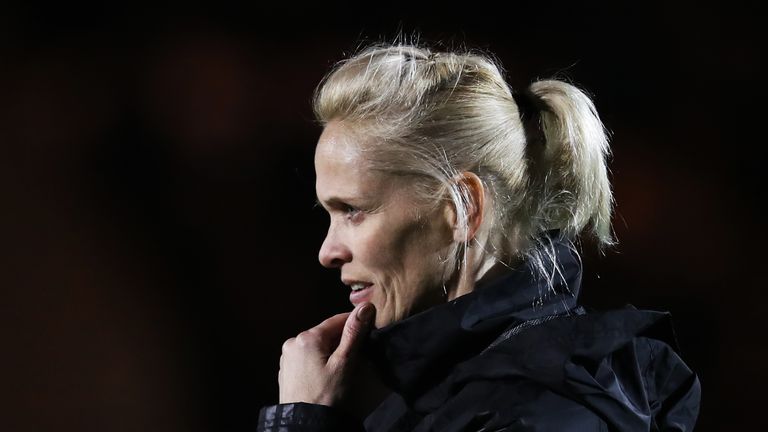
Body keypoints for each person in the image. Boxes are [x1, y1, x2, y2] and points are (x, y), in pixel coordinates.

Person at [257, 43, 701, 431]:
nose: (327, 252)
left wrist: (304, 421)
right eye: (329, 214)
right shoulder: (437, 390)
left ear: (462, 207)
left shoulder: (543, 414)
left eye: (352, 210)